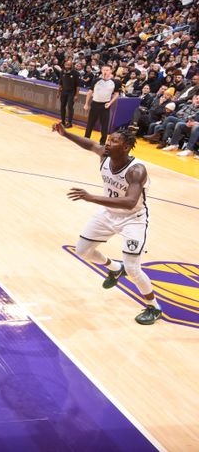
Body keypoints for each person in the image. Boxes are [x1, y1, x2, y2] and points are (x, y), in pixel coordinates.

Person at [52, 122, 161, 325]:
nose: (108, 143)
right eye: (109, 139)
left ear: (126, 147)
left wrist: (91, 197)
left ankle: (154, 307)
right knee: (83, 251)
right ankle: (113, 267)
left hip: (133, 220)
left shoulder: (136, 171)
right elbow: (91, 145)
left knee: (133, 268)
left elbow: (129, 202)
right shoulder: (105, 155)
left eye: (114, 141)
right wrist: (65, 134)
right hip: (108, 213)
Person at [58, 59, 80, 128]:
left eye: (68, 65)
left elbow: (78, 86)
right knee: (62, 106)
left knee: (70, 107)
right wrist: (58, 92)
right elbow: (60, 83)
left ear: (71, 65)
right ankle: (63, 121)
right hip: (64, 91)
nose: (67, 66)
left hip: (72, 92)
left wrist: (76, 95)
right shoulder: (62, 72)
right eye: (66, 64)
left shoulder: (76, 73)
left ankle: (70, 123)